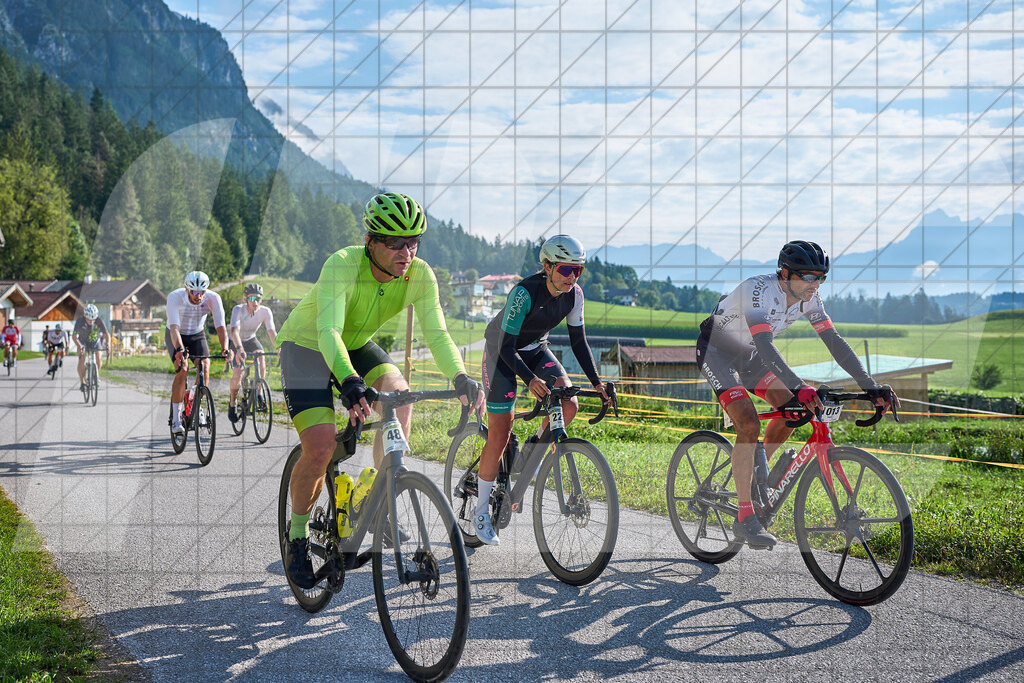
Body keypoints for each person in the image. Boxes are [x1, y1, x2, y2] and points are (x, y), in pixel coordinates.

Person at [277, 191, 484, 590]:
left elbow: (438, 333)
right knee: (319, 448)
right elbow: (329, 332)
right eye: (394, 243)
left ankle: (373, 493)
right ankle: (298, 535)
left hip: (355, 344)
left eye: (412, 242)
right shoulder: (341, 264)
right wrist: (351, 382)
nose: (405, 251)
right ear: (371, 241)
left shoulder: (420, 275)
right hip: (307, 347)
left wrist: (459, 376)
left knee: (400, 394)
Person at [696, 240, 899, 547]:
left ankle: (755, 476)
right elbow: (765, 344)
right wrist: (799, 386)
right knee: (749, 423)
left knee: (796, 411)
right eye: (808, 277)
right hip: (718, 354)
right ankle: (744, 516)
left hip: (751, 358)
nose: (815, 285)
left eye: (821, 278)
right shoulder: (759, 291)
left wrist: (870, 386)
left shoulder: (810, 299)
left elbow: (834, 342)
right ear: (785, 273)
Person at [470, 234, 610, 545]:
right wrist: (530, 379)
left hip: (535, 349)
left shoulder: (575, 295)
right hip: (501, 354)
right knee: (500, 433)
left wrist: (597, 382)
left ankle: (529, 456)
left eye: (579, 270)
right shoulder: (524, 293)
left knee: (569, 403)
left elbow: (578, 341)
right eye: (565, 270)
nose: (572, 277)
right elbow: (506, 346)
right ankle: (480, 510)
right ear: (547, 266)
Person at [165, 271, 233, 436]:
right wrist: (180, 349)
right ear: (186, 289)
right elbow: (174, 328)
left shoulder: (213, 298)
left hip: (197, 334)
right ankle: (176, 417)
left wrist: (225, 348)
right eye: (194, 292)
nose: (198, 296)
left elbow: (221, 327)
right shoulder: (175, 297)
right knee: (183, 370)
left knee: (205, 367)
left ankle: (196, 405)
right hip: (176, 335)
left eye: (202, 292)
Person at [228, 282, 277, 423]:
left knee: (261, 356)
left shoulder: (265, 311)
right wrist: (239, 349)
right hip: (236, 341)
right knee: (238, 374)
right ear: (245, 300)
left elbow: (271, 332)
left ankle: (259, 391)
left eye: (258, 299)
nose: (255, 302)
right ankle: (232, 403)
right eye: (251, 298)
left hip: (251, 339)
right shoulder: (238, 309)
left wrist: (279, 348)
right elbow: (234, 331)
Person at [73, 304, 108, 391]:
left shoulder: (99, 320)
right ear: (85, 316)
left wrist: (108, 345)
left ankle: (95, 375)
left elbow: (106, 334)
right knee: (82, 358)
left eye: (93, 319)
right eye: (89, 319)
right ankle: (83, 382)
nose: (91, 321)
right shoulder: (80, 321)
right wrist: (80, 346)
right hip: (83, 342)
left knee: (99, 357)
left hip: (95, 341)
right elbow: (74, 336)